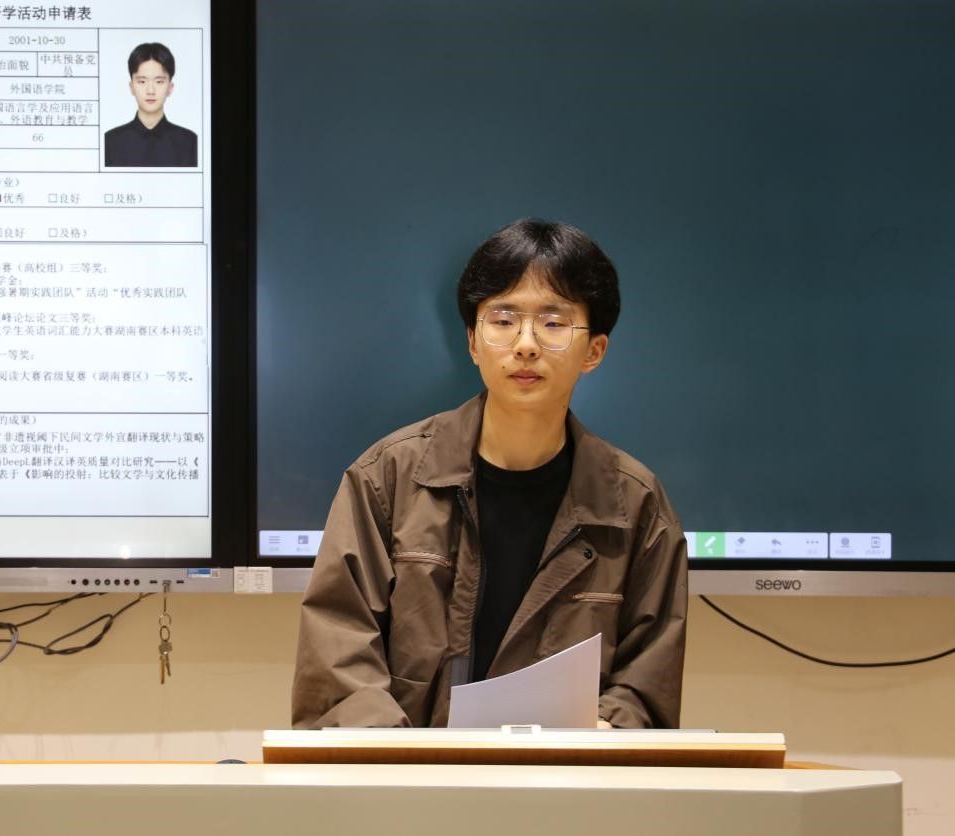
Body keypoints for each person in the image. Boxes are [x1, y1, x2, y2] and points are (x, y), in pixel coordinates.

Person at [291, 219, 688, 729]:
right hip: (408, 775)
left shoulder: (636, 505)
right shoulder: (387, 479)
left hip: (565, 777)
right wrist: (410, 762)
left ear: (594, 350)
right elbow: (338, 658)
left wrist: (609, 729)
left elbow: (647, 680)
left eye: (554, 322)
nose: (526, 344)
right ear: (474, 343)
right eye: (503, 320)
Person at [104, 43, 198, 167]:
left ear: (170, 88)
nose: (150, 91)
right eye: (142, 81)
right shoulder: (110, 141)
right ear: (131, 87)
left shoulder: (189, 142)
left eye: (159, 81)